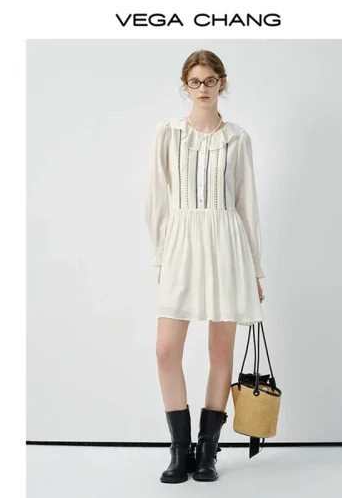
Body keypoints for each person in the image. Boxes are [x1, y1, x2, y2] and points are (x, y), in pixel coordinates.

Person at [144, 50, 266, 483]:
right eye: (194, 81)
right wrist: (163, 254)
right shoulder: (168, 133)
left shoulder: (237, 138)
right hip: (182, 243)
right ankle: (180, 451)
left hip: (228, 245)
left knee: (220, 351)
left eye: (210, 80)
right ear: (185, 85)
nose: (202, 88)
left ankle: (207, 452)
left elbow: (247, 204)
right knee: (165, 350)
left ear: (222, 83)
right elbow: (157, 199)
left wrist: (255, 269)